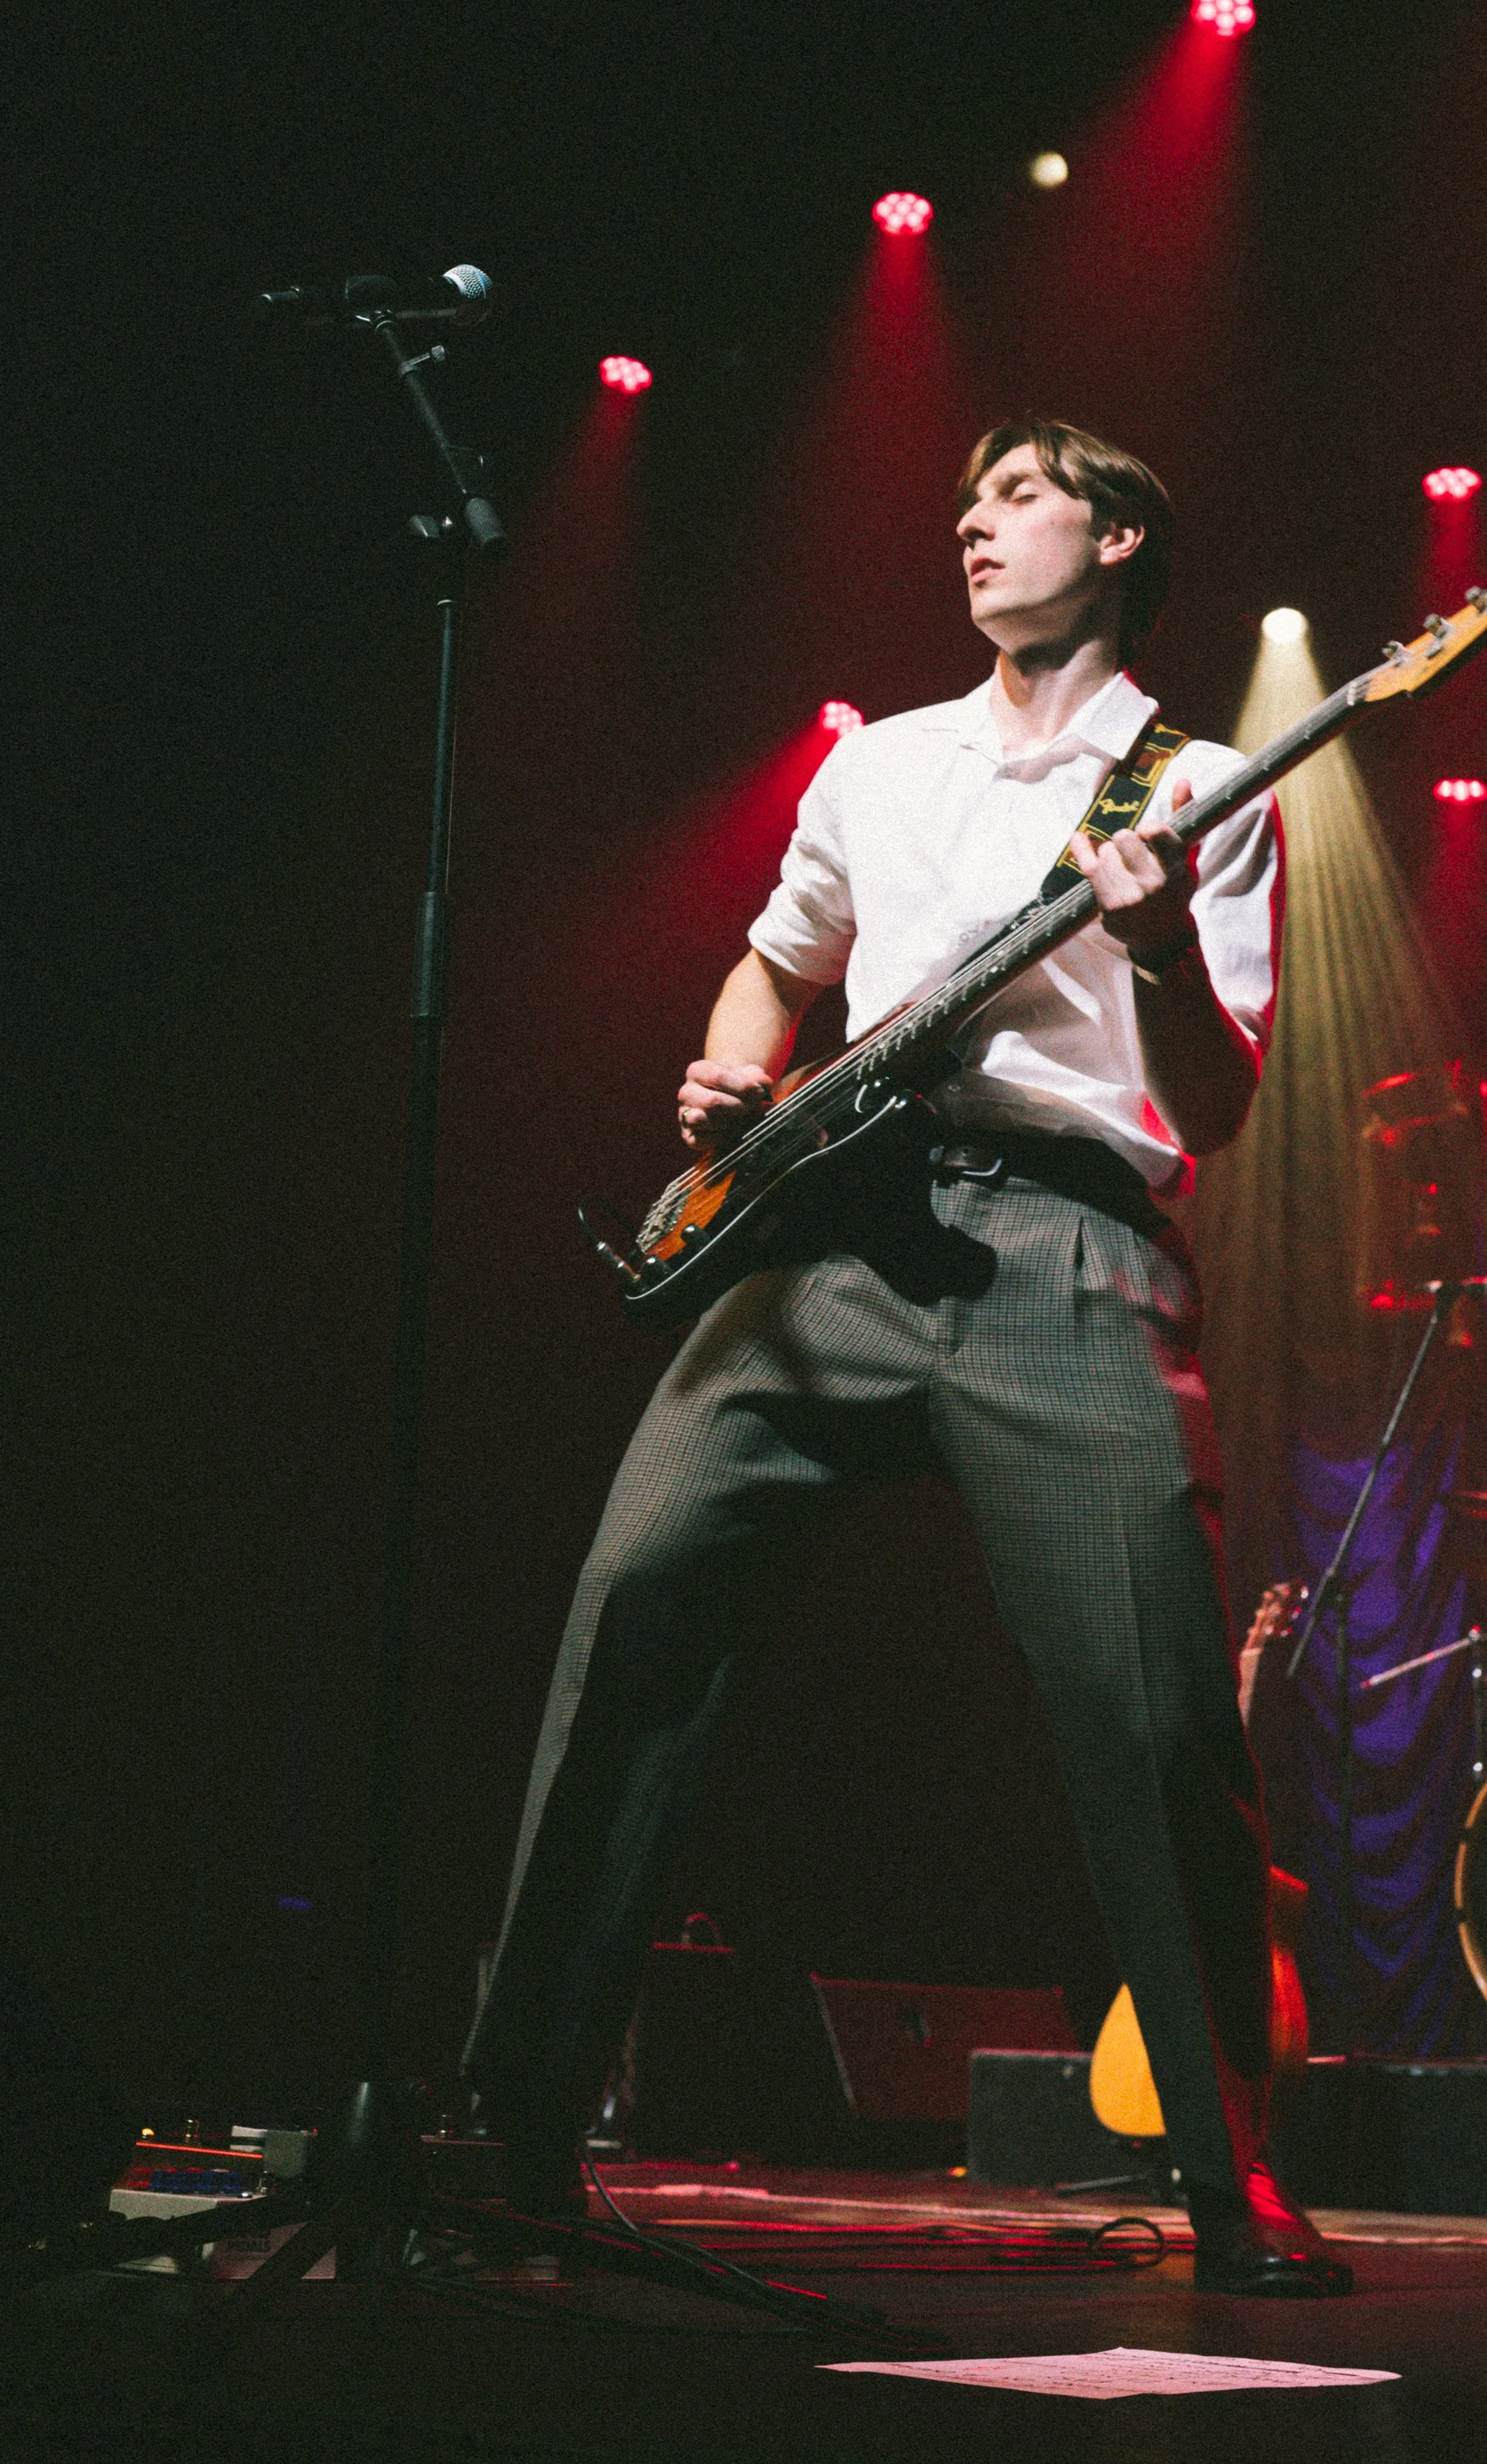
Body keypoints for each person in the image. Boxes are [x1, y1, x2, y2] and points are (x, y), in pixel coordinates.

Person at [464, 417, 1349, 2296]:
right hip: (823, 1249)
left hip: (1070, 1252)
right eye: (960, 494)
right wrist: (735, 1069)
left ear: (1117, 536)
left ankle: (1228, 2174)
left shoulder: (1193, 786)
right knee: (632, 1605)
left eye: (1017, 492)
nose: (969, 517)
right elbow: (776, 962)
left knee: (1158, 1715)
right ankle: (518, 2130)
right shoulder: (881, 762)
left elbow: (1225, 1101)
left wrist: (1167, 951)